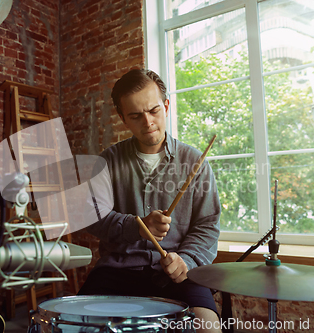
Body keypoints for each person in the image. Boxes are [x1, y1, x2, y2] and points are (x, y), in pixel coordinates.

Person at [78, 68, 221, 333]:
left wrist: (187, 260)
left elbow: (207, 225)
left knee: (208, 328)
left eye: (154, 111)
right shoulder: (107, 161)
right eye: (135, 116)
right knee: (77, 326)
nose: (147, 122)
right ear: (123, 118)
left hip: (179, 273)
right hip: (118, 270)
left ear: (166, 105)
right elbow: (92, 216)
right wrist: (137, 226)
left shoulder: (194, 162)